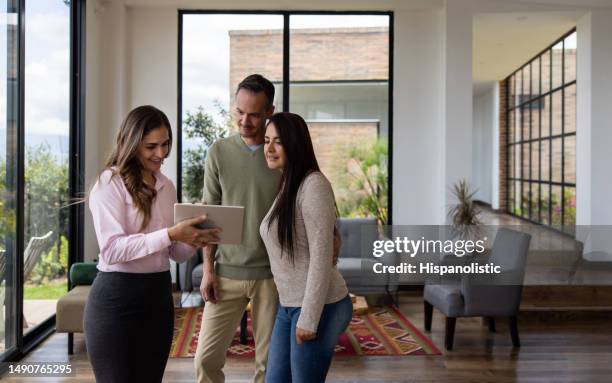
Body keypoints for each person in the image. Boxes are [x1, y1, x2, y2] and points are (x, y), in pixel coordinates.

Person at [84, 105, 221, 383]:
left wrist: (195, 237)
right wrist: (171, 233)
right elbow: (112, 251)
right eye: (151, 146)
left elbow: (174, 254)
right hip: (116, 301)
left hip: (158, 299)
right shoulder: (109, 183)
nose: (161, 153)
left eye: (165, 144)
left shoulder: (166, 186)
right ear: (131, 144)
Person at [194, 74, 281, 383]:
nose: (245, 120)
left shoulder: (280, 154)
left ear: (270, 110)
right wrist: (207, 270)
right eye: (239, 111)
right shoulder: (218, 152)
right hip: (225, 273)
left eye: (254, 113)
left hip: (271, 277)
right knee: (205, 360)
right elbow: (209, 215)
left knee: (269, 366)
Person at [260, 112, 353, 383]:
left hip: (320, 305)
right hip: (289, 304)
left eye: (278, 141)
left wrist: (309, 318)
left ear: (295, 143)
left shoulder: (313, 185)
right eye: (267, 140)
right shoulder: (288, 184)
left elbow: (321, 258)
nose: (269, 148)